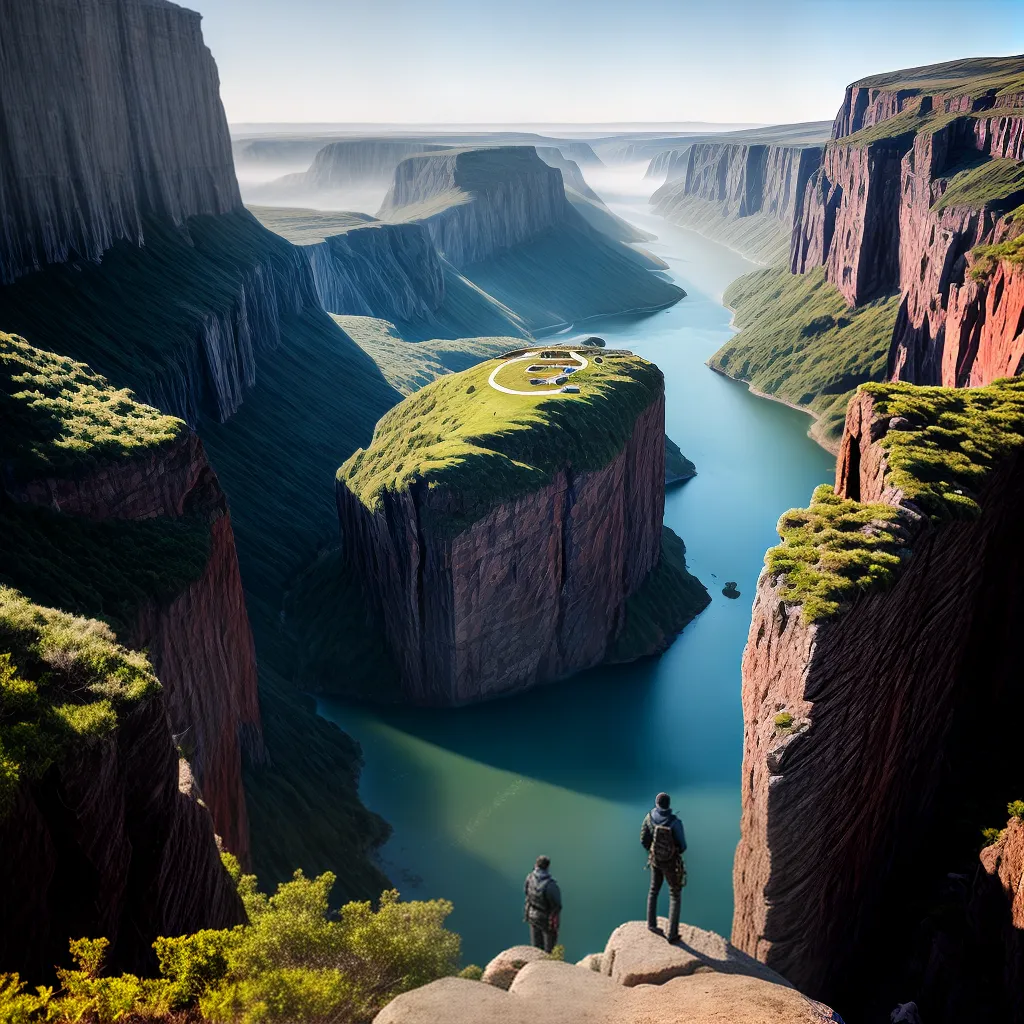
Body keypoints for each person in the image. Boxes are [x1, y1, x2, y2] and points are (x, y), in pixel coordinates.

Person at [640, 792, 687, 944]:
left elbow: (643, 839)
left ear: (657, 803)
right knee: (674, 894)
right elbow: (683, 845)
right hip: (671, 863)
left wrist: (653, 851)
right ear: (669, 804)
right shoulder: (675, 822)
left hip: (655, 860)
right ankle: (672, 934)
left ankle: (651, 924)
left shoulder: (649, 817)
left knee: (653, 890)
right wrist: (673, 853)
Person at [523, 855, 562, 953]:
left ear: (536, 865)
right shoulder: (550, 885)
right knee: (549, 950)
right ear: (548, 867)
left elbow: (526, 893)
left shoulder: (529, 878)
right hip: (546, 920)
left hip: (532, 915)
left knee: (536, 947)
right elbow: (557, 905)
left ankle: (536, 966)